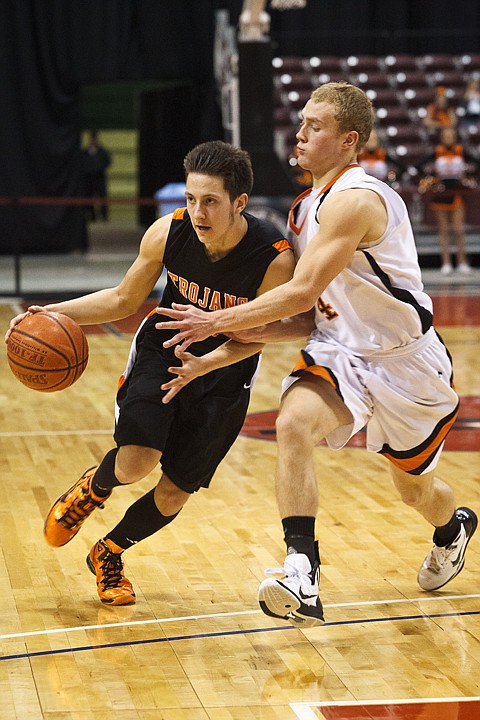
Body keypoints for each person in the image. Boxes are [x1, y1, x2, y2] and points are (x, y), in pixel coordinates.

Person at [155, 83, 477, 627]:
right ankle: (302, 571)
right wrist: (219, 355)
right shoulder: (305, 208)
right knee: (293, 424)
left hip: (406, 362)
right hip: (340, 354)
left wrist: (215, 321)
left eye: (316, 126)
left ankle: (453, 528)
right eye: (302, 122)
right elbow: (306, 320)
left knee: (413, 489)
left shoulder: (358, 200)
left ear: (349, 140)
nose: (300, 133)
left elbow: (302, 292)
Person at [5, 141, 295, 606]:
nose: (197, 212)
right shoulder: (169, 232)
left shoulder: (274, 258)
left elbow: (263, 334)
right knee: (137, 460)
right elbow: (122, 299)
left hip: (224, 372)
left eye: (211, 202)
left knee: (175, 493)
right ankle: (92, 489)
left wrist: (208, 363)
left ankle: (109, 552)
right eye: (190, 199)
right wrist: (49, 314)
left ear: (239, 203)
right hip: (163, 351)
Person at [419, 126, 477, 275]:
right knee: (443, 231)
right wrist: (431, 178)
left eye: (451, 134)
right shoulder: (437, 151)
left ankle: (462, 262)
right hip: (441, 193)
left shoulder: (460, 150)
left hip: (457, 192)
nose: (449, 137)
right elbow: (419, 167)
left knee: (458, 230)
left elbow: (476, 164)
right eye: (446, 134)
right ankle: (446, 263)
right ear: (442, 136)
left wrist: (469, 177)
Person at [82, 130, 112, 222]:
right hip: (89, 179)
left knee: (103, 198)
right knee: (89, 199)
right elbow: (82, 164)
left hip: (100, 178)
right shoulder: (85, 152)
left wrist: (98, 169)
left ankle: (104, 217)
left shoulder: (102, 152)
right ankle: (92, 217)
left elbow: (108, 162)